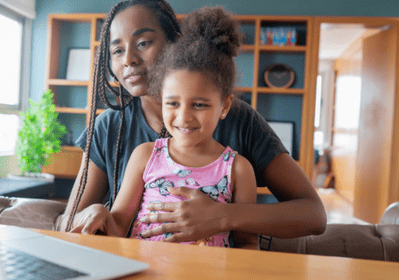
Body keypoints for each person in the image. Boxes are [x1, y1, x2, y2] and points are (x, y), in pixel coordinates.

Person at [60, 0, 326, 242]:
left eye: (143, 43)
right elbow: (68, 224)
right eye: (116, 50)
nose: (128, 58)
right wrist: (95, 213)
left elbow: (313, 214)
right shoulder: (109, 127)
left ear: (176, 42)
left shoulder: (240, 120)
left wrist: (222, 216)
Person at [74, 6, 259, 249]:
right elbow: (117, 227)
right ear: (162, 97)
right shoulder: (144, 155)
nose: (184, 116)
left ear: (224, 106)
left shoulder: (239, 170)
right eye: (172, 103)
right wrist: (98, 212)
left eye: (199, 104)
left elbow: (248, 244)